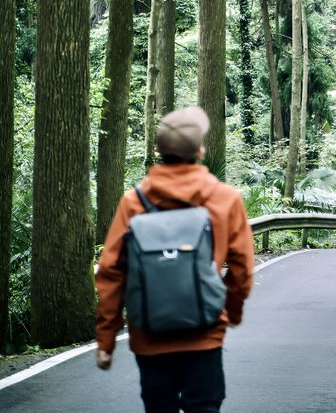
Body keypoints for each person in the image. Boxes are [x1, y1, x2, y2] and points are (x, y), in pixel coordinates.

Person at [95, 105, 254, 413]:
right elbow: (242, 270)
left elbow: (112, 272)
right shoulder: (224, 198)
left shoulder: (134, 201)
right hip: (204, 332)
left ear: (158, 150)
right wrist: (230, 312)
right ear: (200, 150)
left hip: (149, 333)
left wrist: (106, 339)